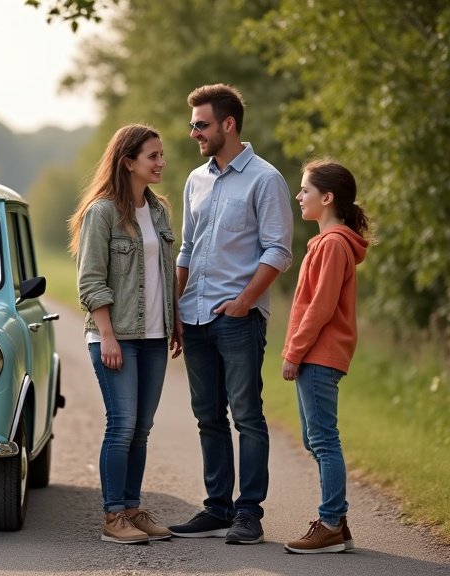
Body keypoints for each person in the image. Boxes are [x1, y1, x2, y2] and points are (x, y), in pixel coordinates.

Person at [167, 84, 294, 545]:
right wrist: (174, 312)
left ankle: (249, 514)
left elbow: (279, 250)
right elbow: (186, 250)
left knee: (246, 415)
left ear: (228, 124)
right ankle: (216, 509)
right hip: (194, 317)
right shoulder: (195, 180)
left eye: (200, 124)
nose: (193, 132)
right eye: (192, 125)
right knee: (208, 417)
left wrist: (244, 301)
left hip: (238, 319)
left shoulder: (266, 179)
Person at [69, 124, 183, 544]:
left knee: (143, 427)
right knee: (122, 425)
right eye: (153, 156)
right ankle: (113, 516)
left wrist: (175, 323)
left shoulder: (159, 211)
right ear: (128, 162)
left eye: (161, 154)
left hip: (154, 336)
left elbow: (165, 273)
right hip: (115, 336)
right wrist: (108, 334)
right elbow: (90, 281)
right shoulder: (102, 213)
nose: (161, 163)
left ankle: (133, 509)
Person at [281, 159, 371, 554]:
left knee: (323, 439)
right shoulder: (326, 242)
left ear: (327, 197)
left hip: (320, 355)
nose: (298, 196)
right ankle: (340, 521)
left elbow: (320, 307)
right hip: (315, 356)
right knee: (314, 438)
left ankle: (331, 522)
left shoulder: (334, 244)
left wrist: (293, 352)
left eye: (305, 190)